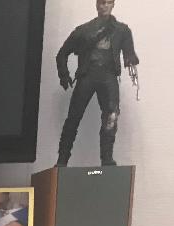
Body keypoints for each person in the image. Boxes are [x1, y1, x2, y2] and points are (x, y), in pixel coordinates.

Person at [56, 0, 139, 167]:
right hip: (87, 75)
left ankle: (106, 159)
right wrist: (64, 75)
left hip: (108, 76)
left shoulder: (122, 30)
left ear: (113, 4)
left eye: (108, 2)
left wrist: (131, 63)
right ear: (96, 5)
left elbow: (129, 53)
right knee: (73, 118)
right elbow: (62, 54)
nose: (104, 6)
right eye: (101, 2)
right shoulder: (83, 31)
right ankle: (62, 160)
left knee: (111, 117)